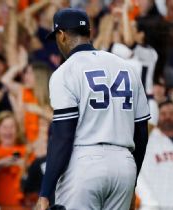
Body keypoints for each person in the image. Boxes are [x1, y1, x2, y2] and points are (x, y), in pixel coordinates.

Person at [36, 8, 151, 210]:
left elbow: (62, 137)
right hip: (124, 165)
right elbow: (141, 133)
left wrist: (45, 193)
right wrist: (131, 182)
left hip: (84, 165)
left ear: (61, 35)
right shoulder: (126, 67)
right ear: (88, 33)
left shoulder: (66, 71)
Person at [136, 101, 173, 209]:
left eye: (171, 113)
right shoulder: (146, 139)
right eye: (163, 114)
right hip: (154, 203)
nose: (168, 117)